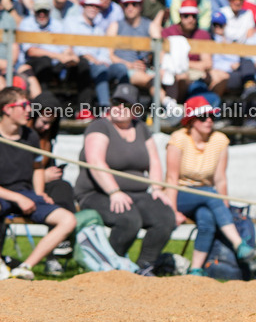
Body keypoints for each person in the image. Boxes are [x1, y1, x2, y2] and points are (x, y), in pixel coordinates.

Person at [75, 84, 177, 275]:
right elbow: (95, 162)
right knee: (129, 219)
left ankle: (144, 266)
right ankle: (110, 267)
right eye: (116, 102)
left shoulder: (141, 128)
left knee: (165, 217)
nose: (120, 108)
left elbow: (154, 162)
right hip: (96, 193)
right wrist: (114, 192)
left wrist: (156, 188)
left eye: (126, 104)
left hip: (136, 193)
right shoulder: (99, 126)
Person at [164, 96, 256, 277]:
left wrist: (223, 208)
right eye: (203, 117)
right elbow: (171, 179)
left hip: (207, 198)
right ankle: (239, 245)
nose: (209, 120)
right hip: (179, 195)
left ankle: (195, 269)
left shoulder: (220, 140)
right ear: (191, 121)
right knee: (210, 194)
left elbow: (220, 179)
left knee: (207, 219)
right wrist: (172, 211)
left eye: (211, 116)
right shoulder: (178, 139)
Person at [0, 87, 77, 280]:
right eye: (24, 105)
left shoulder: (31, 136)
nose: (29, 110)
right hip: (4, 195)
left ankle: (25, 267)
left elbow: (37, 168)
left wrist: (40, 192)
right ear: (8, 109)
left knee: (68, 220)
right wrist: (17, 197)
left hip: (26, 194)